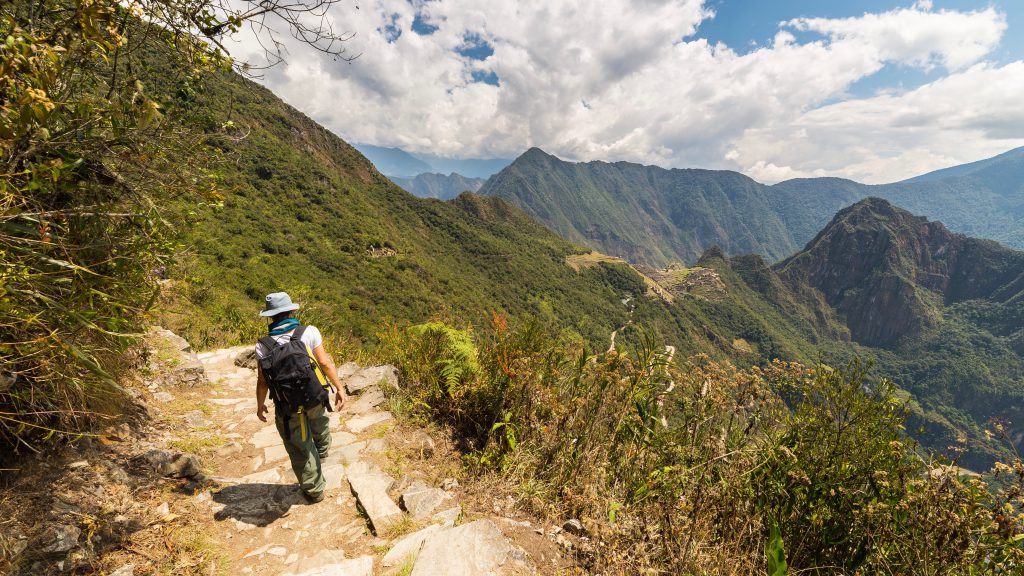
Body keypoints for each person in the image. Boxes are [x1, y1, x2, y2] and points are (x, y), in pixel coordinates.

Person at [255, 292, 345, 502]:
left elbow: (262, 381)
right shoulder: (308, 331)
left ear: (270, 317)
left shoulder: (263, 345)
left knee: (300, 444)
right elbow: (324, 363)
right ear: (292, 311)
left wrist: (260, 405)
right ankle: (322, 452)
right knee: (319, 421)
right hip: (314, 394)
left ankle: (314, 490)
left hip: (287, 403)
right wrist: (339, 387)